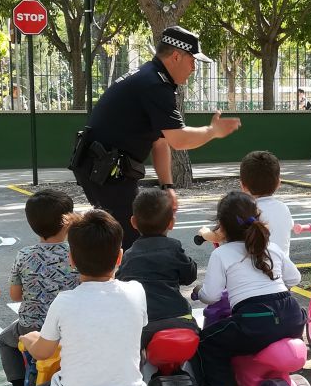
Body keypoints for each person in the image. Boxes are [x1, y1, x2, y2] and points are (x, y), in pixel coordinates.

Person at [69, 25, 241, 250]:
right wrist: (213, 132)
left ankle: (112, 276)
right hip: (105, 172)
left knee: (123, 234)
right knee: (132, 238)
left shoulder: (152, 78)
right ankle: (123, 280)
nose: (194, 67)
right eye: (193, 60)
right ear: (176, 56)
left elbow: (160, 141)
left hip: (104, 169)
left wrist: (167, 186)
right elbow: (178, 139)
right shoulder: (154, 84)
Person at [19, 209, 147, 386]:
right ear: (119, 257)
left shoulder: (64, 302)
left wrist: (30, 338)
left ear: (71, 259)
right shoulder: (136, 291)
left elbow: (42, 352)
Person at [194, 191, 305, 386]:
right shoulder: (271, 247)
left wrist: (198, 291)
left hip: (254, 320)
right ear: (257, 218)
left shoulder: (222, 254)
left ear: (222, 227)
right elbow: (295, 278)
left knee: (207, 343)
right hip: (292, 317)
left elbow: (211, 296)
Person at [0, 189, 79, 386]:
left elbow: (16, 295)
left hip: (31, 327)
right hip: (68, 326)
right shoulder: (77, 252)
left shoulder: (23, 255)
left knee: (5, 341)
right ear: (68, 221)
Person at [115, 188, 198, 348]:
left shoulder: (129, 254)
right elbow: (190, 275)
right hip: (178, 319)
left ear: (133, 222)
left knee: (133, 356)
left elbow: (121, 285)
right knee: (199, 349)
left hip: (144, 325)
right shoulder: (174, 248)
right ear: (171, 223)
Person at [239, 150, 293, 255]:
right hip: (281, 269)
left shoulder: (244, 211)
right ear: (278, 184)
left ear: (243, 186)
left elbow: (220, 235)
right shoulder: (283, 208)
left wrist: (205, 233)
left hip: (253, 269)